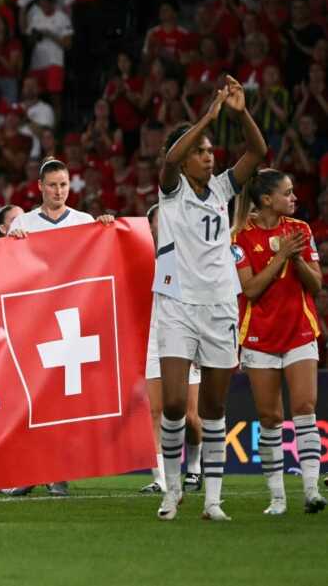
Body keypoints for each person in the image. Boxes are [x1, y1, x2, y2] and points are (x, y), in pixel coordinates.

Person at [154, 76, 266, 522]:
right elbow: (169, 158)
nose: (208, 155)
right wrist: (209, 116)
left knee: (215, 406)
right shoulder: (172, 188)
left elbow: (257, 153)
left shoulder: (222, 189)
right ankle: (172, 489)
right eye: (200, 151)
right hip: (177, 302)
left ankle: (214, 500)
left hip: (220, 303)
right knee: (176, 404)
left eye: (209, 150)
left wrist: (240, 114)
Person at [2, 156, 114, 497]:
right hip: (36, 321)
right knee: (31, 398)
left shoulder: (83, 222)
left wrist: (106, 228)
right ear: (39, 187)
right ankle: (30, 470)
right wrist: (12, 245)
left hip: (72, 321)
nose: (58, 191)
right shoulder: (25, 225)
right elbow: (7, 270)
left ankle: (59, 471)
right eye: (52, 185)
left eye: (64, 184)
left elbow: (103, 259)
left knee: (64, 401)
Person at [231, 169, 326, 515]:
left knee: (304, 408)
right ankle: (277, 498)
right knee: (270, 417)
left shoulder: (300, 231)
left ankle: (312, 491)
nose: (294, 198)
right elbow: (251, 289)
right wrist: (281, 256)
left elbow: (316, 286)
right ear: (267, 199)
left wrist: (296, 257)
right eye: (287, 193)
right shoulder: (240, 235)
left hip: (299, 330)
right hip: (259, 336)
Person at [142, 203, 203, 495]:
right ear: (150, 226)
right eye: (158, 222)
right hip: (153, 340)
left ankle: (194, 468)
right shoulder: (139, 257)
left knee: (189, 415)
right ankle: (162, 478)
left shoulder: (186, 259)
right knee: (155, 411)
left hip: (184, 338)